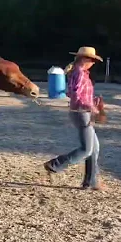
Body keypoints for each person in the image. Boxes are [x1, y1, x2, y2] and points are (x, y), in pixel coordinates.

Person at [43, 46, 105, 190]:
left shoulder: (78, 73)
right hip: (82, 113)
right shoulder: (80, 74)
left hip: (80, 112)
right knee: (87, 149)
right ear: (84, 59)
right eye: (92, 60)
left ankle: (90, 182)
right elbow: (76, 95)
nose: (93, 63)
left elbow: (74, 93)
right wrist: (91, 106)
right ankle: (55, 164)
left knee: (94, 148)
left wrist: (94, 101)